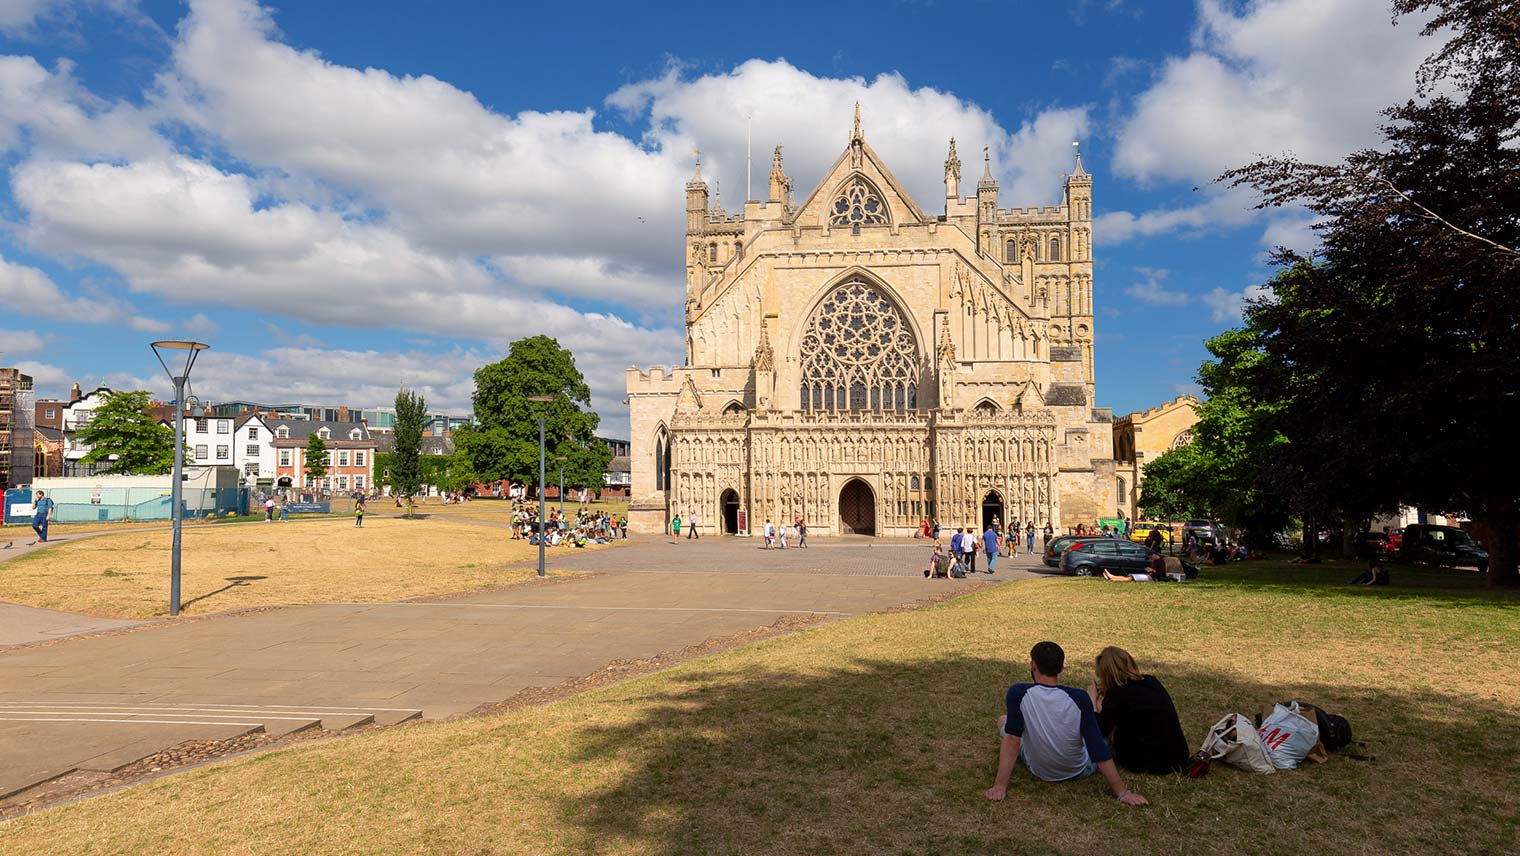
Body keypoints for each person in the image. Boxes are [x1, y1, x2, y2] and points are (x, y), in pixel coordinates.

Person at [986, 641, 1148, 806]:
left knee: (1003, 721)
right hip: (1079, 770)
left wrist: (1000, 786)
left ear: (1033, 665)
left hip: (1038, 769)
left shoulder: (1018, 693)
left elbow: (1013, 740)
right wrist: (1122, 792)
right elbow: (1096, 746)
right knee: (1102, 738)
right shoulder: (1079, 698)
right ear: (1061, 667)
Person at [1087, 647, 1190, 775]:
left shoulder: (1117, 693)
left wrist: (1091, 700)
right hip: (1178, 757)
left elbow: (1101, 729)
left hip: (1147, 762)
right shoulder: (1151, 681)